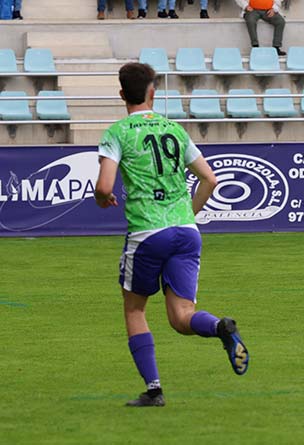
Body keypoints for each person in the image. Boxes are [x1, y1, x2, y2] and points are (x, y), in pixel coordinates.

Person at [94, 63, 250, 407]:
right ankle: (220, 328)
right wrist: (186, 216)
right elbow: (211, 180)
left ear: (122, 95)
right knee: (181, 318)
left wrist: (102, 197)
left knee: (135, 310)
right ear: (153, 93)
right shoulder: (176, 130)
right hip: (186, 231)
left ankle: (154, 390)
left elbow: (105, 185)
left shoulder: (117, 132)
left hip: (148, 232)